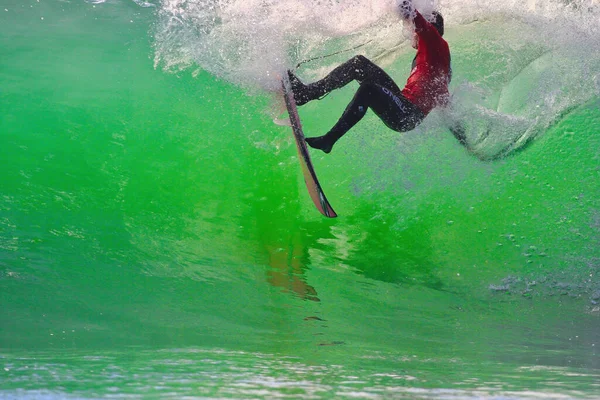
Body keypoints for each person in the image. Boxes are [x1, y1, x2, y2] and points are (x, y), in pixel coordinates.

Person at [288, 0, 452, 154]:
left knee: (369, 89)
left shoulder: (433, 39)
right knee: (359, 64)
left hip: (406, 114)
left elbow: (407, 8)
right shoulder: (437, 60)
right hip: (401, 102)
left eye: (414, 29)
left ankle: (329, 140)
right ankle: (307, 93)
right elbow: (447, 106)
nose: (411, 32)